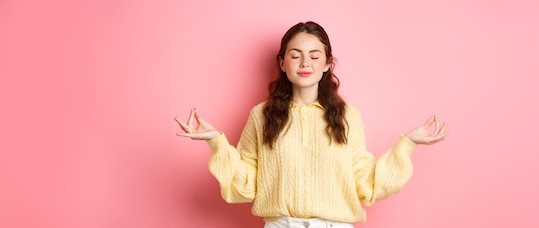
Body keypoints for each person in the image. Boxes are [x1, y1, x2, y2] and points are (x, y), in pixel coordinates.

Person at [175, 21, 448, 228]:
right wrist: (216, 142)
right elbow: (246, 182)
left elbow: (365, 183)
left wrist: (407, 144)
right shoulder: (262, 115)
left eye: (315, 56)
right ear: (282, 63)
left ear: (328, 63)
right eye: (295, 55)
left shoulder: (347, 116)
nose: (305, 62)